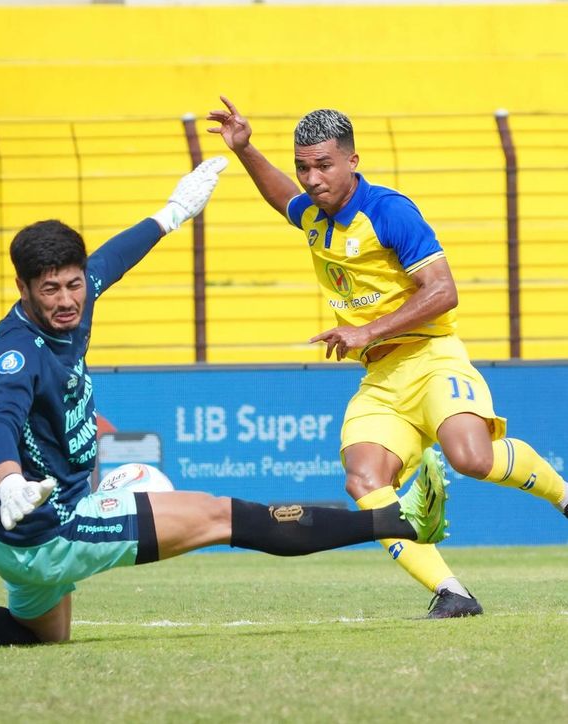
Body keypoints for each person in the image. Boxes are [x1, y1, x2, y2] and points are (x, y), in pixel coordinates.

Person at [0, 157, 450, 654]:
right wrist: (8, 482)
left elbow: (113, 259)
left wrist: (172, 213)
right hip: (39, 523)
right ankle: (398, 520)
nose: (68, 300)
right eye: (51, 290)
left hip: (10, 526)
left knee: (42, 632)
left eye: (74, 285)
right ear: (22, 289)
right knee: (223, 517)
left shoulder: (72, 299)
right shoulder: (17, 353)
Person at [207, 96, 568, 618]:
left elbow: (443, 290)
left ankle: (563, 495)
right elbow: (281, 196)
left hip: (432, 358)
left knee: (472, 458)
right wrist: (245, 150)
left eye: (324, 165)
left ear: (353, 161)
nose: (311, 178)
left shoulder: (389, 210)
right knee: (364, 481)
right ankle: (452, 592)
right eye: (303, 166)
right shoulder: (313, 213)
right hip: (381, 379)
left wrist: (366, 330)